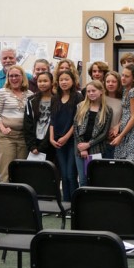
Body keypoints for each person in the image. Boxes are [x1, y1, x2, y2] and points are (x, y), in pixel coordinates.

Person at [0, 65, 33, 182]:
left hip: (22, 137)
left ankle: (20, 198)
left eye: (16, 76)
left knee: (21, 170)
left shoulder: (29, 94)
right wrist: (2, 128)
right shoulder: (2, 92)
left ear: (22, 77)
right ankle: (6, 198)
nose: (14, 78)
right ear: (8, 78)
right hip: (5, 137)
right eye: (11, 76)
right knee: (6, 170)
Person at [111, 64, 134, 194]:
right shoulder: (126, 90)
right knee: (124, 167)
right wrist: (118, 125)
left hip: (132, 132)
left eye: (126, 76)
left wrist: (121, 135)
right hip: (125, 128)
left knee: (133, 166)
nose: (123, 78)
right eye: (122, 75)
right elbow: (126, 113)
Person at [50, 70, 83, 201]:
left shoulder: (78, 97)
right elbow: (52, 120)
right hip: (57, 141)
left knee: (70, 174)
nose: (64, 82)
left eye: (66, 79)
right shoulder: (55, 98)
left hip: (71, 141)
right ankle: (66, 203)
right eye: (61, 80)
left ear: (73, 81)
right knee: (63, 174)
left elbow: (77, 121)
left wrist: (66, 137)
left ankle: (74, 204)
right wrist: (51, 138)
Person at [73, 80, 112, 186]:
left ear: (101, 92)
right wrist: (83, 147)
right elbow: (76, 128)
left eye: (93, 91)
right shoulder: (80, 106)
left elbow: (104, 133)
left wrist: (89, 144)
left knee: (96, 179)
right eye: (88, 91)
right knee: (83, 179)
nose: (91, 93)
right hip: (80, 149)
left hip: (97, 148)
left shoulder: (107, 110)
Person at [24, 71, 55, 163]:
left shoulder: (58, 100)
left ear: (52, 82)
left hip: (50, 143)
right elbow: (27, 124)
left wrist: (42, 146)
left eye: (45, 81)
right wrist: (32, 145)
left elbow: (55, 124)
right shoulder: (31, 100)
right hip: (34, 142)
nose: (42, 83)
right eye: (39, 81)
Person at [103, 71, 122, 159]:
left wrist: (118, 126)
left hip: (117, 138)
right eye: (108, 81)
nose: (110, 84)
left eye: (114, 82)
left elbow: (127, 117)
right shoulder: (100, 99)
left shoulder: (123, 100)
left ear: (118, 83)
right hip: (101, 139)